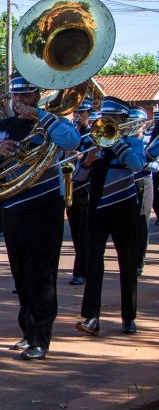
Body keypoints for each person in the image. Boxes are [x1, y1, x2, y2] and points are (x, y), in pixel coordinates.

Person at [0, 72, 80, 360]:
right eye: (16, 96)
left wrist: (40, 116)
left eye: (26, 96)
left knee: (42, 274)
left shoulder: (53, 123)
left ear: (37, 95)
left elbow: (72, 141)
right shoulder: (1, 127)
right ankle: (27, 330)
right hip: (12, 206)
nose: (20, 101)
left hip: (46, 205)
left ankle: (41, 338)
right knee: (21, 273)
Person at [75, 97, 145, 336]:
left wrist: (116, 143)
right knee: (93, 262)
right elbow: (79, 179)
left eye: (112, 119)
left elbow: (137, 165)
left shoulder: (134, 143)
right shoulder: (93, 143)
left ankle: (129, 316)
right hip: (97, 209)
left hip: (125, 208)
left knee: (127, 262)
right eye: (105, 118)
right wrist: (87, 160)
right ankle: (92, 316)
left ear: (123, 121)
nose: (106, 123)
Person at [65, 98, 95, 286]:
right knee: (76, 231)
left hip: (87, 189)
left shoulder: (93, 136)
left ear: (88, 116)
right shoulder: (71, 136)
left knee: (84, 232)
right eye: (76, 113)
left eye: (81, 114)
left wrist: (84, 157)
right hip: (72, 187)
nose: (77, 117)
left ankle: (81, 270)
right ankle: (83, 266)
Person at [128, 107, 153, 276]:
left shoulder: (150, 140)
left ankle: (139, 261)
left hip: (144, 180)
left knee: (142, 222)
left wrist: (146, 164)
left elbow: (156, 163)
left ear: (143, 124)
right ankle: (129, 258)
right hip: (127, 181)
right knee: (128, 222)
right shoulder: (124, 139)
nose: (133, 126)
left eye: (137, 123)